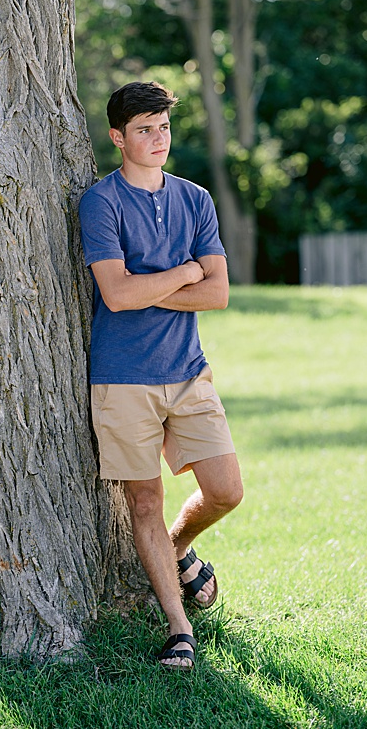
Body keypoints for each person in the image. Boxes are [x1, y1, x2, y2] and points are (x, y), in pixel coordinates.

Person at [78, 81, 244, 671]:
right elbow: (117, 296)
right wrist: (184, 272)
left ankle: (176, 552)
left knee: (226, 489)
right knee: (144, 502)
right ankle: (178, 628)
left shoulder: (195, 199)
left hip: (187, 371)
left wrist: (154, 284)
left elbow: (218, 292)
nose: (157, 139)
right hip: (123, 377)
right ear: (118, 137)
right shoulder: (101, 203)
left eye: (164, 127)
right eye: (144, 129)